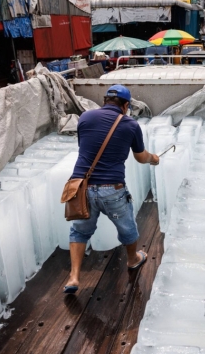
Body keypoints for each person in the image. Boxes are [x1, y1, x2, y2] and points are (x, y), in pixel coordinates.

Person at [64, 85, 160, 294]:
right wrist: (154, 159)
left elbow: (85, 147)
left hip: (81, 188)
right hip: (112, 189)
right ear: (126, 106)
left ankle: (73, 277)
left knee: (80, 231)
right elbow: (140, 156)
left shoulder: (85, 118)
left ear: (105, 100)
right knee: (127, 228)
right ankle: (133, 259)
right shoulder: (130, 125)